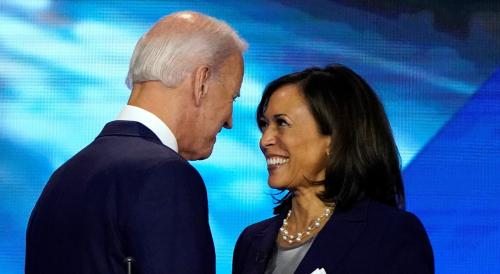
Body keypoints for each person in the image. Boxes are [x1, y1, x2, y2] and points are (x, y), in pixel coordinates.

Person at [25, 11, 246, 274]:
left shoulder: (65, 176)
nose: (229, 120)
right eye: (231, 97)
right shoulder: (165, 176)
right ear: (201, 82)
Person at [232, 65, 433, 274]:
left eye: (282, 123)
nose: (265, 140)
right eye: (264, 125)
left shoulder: (389, 233)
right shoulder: (251, 241)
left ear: (334, 138)